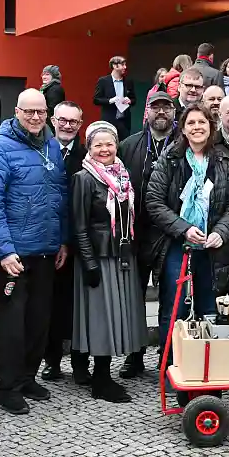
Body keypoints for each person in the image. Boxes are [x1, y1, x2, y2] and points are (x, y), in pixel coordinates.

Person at [0, 89, 69, 414]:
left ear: (48, 114)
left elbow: (60, 196)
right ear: (16, 111)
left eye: (40, 112)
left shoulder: (51, 145)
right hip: (13, 255)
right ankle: (8, 385)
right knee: (13, 324)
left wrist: (63, 240)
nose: (35, 117)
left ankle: (28, 376)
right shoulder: (0, 148)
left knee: (38, 321)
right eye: (29, 111)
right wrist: (3, 250)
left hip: (45, 250)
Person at [147, 103, 229, 366]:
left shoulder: (223, 160)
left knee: (209, 307)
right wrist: (184, 228)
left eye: (202, 122)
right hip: (178, 244)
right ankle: (171, 363)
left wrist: (221, 232)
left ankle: (206, 364)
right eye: (191, 123)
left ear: (211, 127)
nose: (197, 127)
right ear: (183, 129)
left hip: (213, 248)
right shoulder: (170, 158)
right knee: (174, 308)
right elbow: (154, 201)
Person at [72, 122, 149, 402]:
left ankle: (105, 374)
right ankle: (100, 379)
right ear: (90, 148)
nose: (104, 149)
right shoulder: (84, 178)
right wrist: (88, 261)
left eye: (109, 144)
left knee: (117, 314)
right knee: (101, 317)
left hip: (121, 253)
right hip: (98, 256)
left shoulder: (123, 176)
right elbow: (79, 225)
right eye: (98, 145)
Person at [117, 91, 177, 378]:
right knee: (134, 298)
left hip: (171, 235)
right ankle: (134, 355)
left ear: (174, 112)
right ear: (147, 112)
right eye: (156, 107)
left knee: (170, 298)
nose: (161, 112)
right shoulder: (129, 146)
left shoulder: (184, 144)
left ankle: (168, 357)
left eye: (166, 107)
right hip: (137, 234)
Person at [42, 102, 89, 383]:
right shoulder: (41, 152)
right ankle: (52, 361)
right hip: (50, 241)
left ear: (80, 124)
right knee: (52, 307)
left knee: (78, 307)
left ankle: (80, 364)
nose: (68, 125)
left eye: (74, 121)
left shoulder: (87, 156)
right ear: (53, 121)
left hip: (80, 242)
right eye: (63, 120)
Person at [93, 56, 136, 140]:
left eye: (125, 64)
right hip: (109, 120)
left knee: (124, 145)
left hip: (124, 121)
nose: (125, 67)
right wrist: (110, 100)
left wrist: (130, 100)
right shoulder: (103, 81)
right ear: (114, 66)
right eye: (122, 65)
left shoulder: (128, 81)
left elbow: (134, 99)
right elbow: (96, 100)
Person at [40, 65, 66, 132]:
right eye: (43, 74)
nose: (44, 77)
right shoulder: (47, 88)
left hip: (50, 126)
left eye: (47, 74)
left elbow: (52, 109)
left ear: (54, 76)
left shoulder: (55, 89)